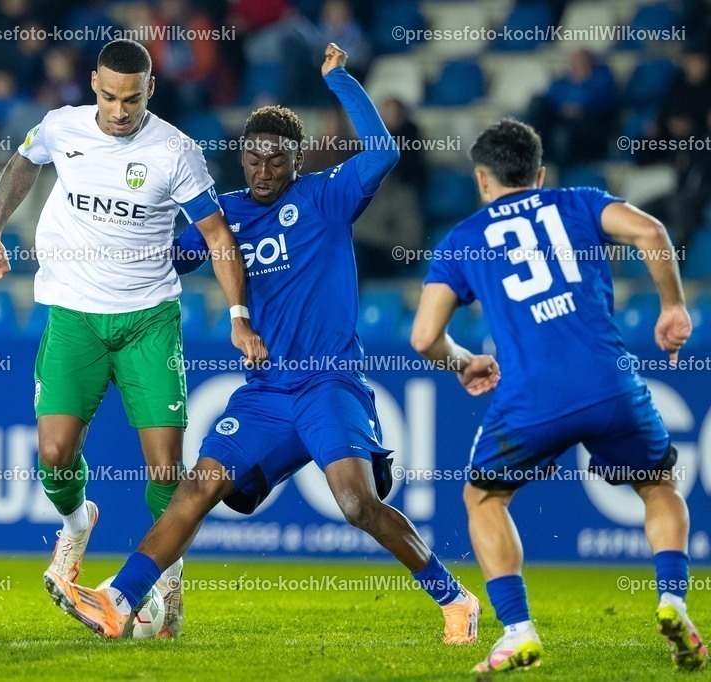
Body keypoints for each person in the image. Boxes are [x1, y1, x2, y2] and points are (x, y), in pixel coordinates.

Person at [42, 44, 482, 646]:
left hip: (328, 384)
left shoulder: (327, 197)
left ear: (297, 159)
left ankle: (454, 597)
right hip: (265, 395)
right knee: (197, 486)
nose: (264, 170)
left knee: (356, 504)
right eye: (253, 158)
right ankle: (118, 600)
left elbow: (383, 151)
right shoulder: (225, 216)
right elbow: (164, 258)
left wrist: (340, 81)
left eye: (277, 159)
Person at [0, 39, 266, 638]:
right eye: (109, 97)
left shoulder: (176, 152)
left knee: (165, 469)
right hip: (74, 317)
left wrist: (238, 314)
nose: (120, 110)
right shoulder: (61, 127)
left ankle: (169, 580)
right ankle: (77, 524)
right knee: (54, 454)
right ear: (94, 86)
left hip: (147, 321)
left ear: (150, 90)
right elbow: (24, 161)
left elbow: (217, 236)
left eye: (132, 99)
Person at [410, 118, 706, 673]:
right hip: (610, 383)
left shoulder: (464, 239)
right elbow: (651, 232)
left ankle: (518, 631)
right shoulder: (579, 202)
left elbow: (424, 337)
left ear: (482, 179)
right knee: (658, 485)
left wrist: (464, 362)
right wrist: (672, 307)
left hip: (531, 396)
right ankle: (672, 600)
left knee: (484, 498)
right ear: (540, 174)